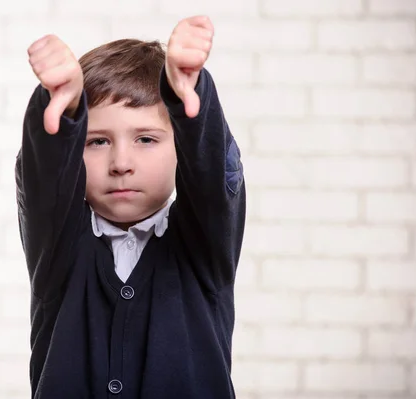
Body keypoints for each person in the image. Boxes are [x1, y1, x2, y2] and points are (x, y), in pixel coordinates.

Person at [16, 15, 246, 399]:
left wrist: (187, 92)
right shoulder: (57, 247)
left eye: (145, 139)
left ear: (180, 150)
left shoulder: (205, 245)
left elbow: (212, 176)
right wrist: (63, 107)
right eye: (98, 141)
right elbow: (44, 181)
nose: (121, 163)